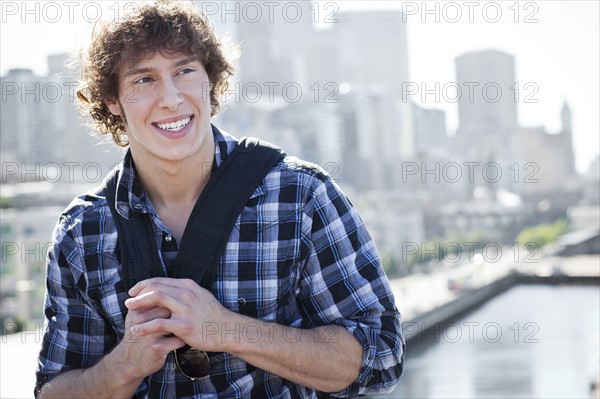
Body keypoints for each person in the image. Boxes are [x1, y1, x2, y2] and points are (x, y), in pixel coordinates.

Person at [35, 1, 404, 398]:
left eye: (185, 71)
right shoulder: (81, 232)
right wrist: (126, 363)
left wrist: (227, 329)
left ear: (210, 79)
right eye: (144, 80)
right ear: (112, 101)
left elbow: (381, 357)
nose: (172, 98)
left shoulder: (301, 196)